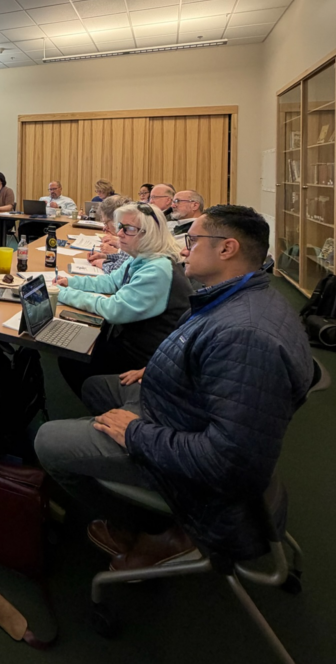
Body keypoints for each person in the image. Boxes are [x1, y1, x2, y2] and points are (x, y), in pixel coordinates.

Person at [35, 206, 313, 569]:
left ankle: (150, 527)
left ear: (226, 249)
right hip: (177, 405)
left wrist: (135, 434)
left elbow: (229, 461)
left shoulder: (246, 336)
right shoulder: (240, 296)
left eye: (193, 241)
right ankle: (115, 467)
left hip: (176, 435)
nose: (183, 249)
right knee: (96, 388)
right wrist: (157, 366)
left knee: (46, 440)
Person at [55, 203, 192, 399]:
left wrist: (62, 294)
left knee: (71, 358)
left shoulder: (158, 269)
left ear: (149, 233)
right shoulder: (144, 256)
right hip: (133, 338)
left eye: (128, 229)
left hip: (146, 357)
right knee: (80, 342)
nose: (119, 233)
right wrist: (70, 282)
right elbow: (112, 281)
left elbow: (113, 310)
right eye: (120, 227)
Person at [87, 195, 130, 273]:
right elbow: (124, 257)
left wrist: (103, 263)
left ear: (116, 219)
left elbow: (119, 271)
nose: (105, 228)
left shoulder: (131, 235)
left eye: (106, 223)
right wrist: (106, 256)